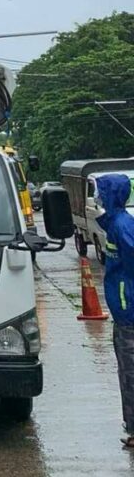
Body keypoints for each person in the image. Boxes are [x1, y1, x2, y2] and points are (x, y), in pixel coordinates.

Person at [96, 173, 134, 449]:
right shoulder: (115, 224)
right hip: (123, 311)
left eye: (101, 191)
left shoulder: (122, 226)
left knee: (130, 372)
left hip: (129, 312)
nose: (97, 197)